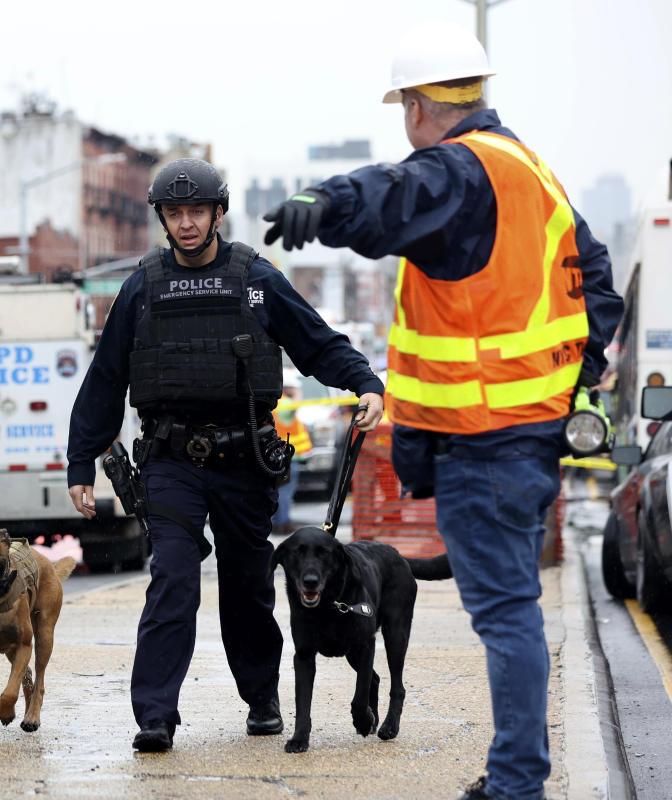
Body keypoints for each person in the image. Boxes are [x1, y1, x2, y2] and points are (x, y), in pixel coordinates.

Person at [262, 21, 623, 800]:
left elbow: (398, 194)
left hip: (484, 444)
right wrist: (566, 385)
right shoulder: (534, 174)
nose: (407, 127)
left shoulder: (463, 169)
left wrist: (321, 201)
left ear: (420, 107)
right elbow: (600, 290)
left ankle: (517, 784)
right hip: (519, 440)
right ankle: (513, 775)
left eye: (405, 111)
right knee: (510, 609)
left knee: (505, 616)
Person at [67, 157, 384, 753]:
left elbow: (316, 342)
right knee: (173, 581)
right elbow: (105, 381)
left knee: (247, 585)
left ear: (218, 213)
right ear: (163, 218)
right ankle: (156, 715)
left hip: (244, 461)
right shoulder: (140, 288)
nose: (186, 223)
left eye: (197, 211)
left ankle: (262, 697)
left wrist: (365, 382)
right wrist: (80, 463)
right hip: (170, 460)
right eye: (175, 213)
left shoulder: (256, 279)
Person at [270, 374, 311, 533]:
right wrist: (295, 393)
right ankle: (282, 523)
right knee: (285, 491)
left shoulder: (274, 402)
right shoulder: (286, 402)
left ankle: (279, 521)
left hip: (276, 454)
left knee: (279, 490)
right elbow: (297, 404)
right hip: (287, 456)